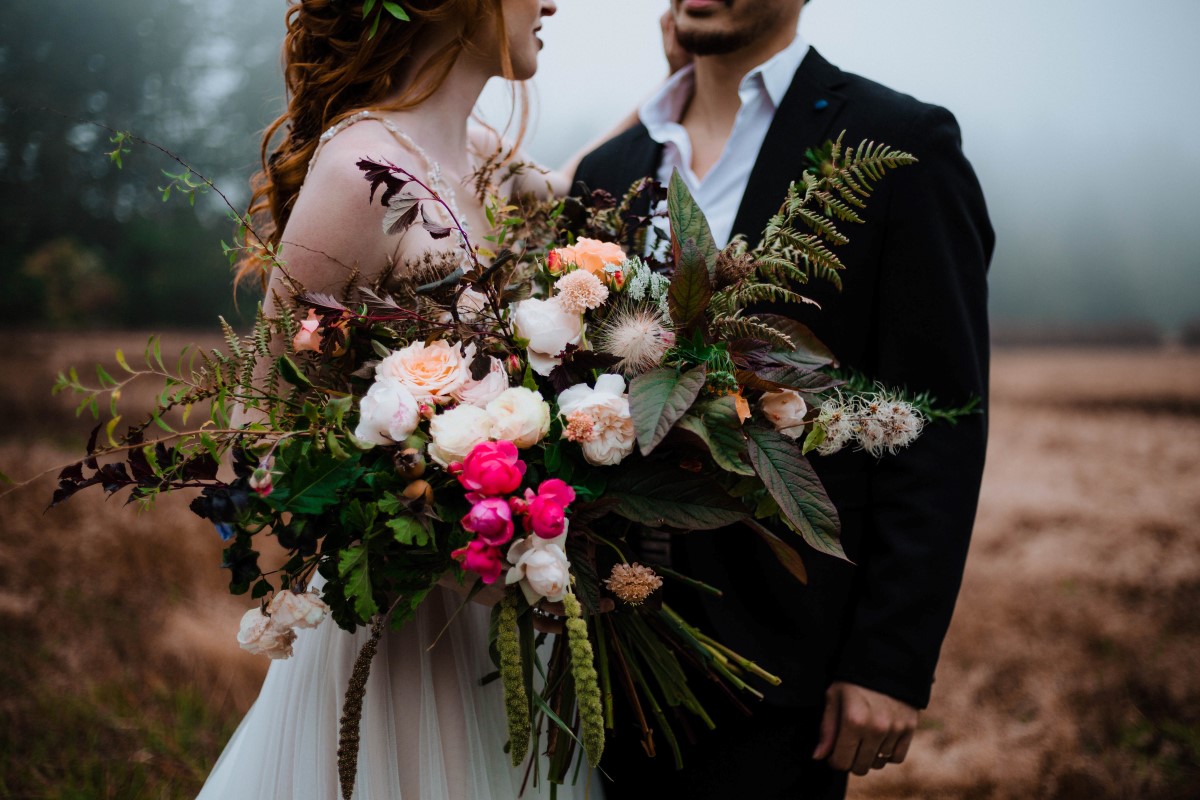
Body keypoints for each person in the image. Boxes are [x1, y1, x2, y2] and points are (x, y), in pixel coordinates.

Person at [573, 1, 993, 797]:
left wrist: (891, 660)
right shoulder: (610, 167)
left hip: (782, 660)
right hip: (600, 646)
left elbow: (937, 420)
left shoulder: (901, 145)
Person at [195, 1, 593, 798]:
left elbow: (578, 188)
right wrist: (414, 518)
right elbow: (261, 420)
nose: (552, 3)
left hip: (510, 614)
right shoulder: (358, 172)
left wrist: (683, 83)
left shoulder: (481, 156)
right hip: (403, 643)